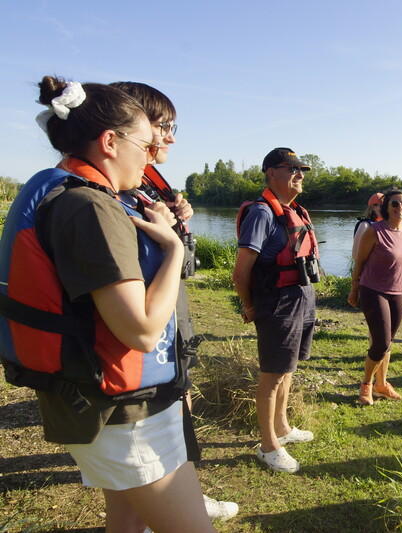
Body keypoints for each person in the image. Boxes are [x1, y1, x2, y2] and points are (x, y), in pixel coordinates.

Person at [1, 77, 215, 532]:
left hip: (110, 403)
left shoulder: (70, 191)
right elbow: (139, 331)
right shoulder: (92, 208)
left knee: (127, 518)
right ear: (110, 141)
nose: (151, 152)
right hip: (123, 413)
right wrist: (175, 250)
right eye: (145, 141)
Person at [110, 81, 238, 522]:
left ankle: (175, 497)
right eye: (163, 126)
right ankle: (177, 500)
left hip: (161, 329)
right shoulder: (113, 197)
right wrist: (172, 241)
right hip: (136, 363)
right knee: (171, 407)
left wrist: (178, 223)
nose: (168, 137)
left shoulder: (141, 191)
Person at [233, 147, 318, 473]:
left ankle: (283, 427)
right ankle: (268, 446)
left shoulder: (293, 210)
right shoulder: (262, 213)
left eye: (302, 169)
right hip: (278, 302)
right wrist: (249, 305)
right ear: (271, 172)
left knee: (288, 368)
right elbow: (241, 272)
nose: (299, 174)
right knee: (272, 374)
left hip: (301, 298)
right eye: (292, 168)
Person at [348, 189, 402, 406]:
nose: (400, 208)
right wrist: (354, 289)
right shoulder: (374, 231)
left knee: (388, 343)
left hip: (398, 293)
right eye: (395, 204)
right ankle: (366, 385)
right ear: (386, 207)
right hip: (373, 290)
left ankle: (382, 384)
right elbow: (359, 262)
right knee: (381, 343)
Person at [351, 192, 384, 259]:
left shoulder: (387, 225)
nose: (380, 208)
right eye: (375, 205)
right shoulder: (365, 225)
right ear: (371, 208)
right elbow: (355, 255)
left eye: (383, 205)